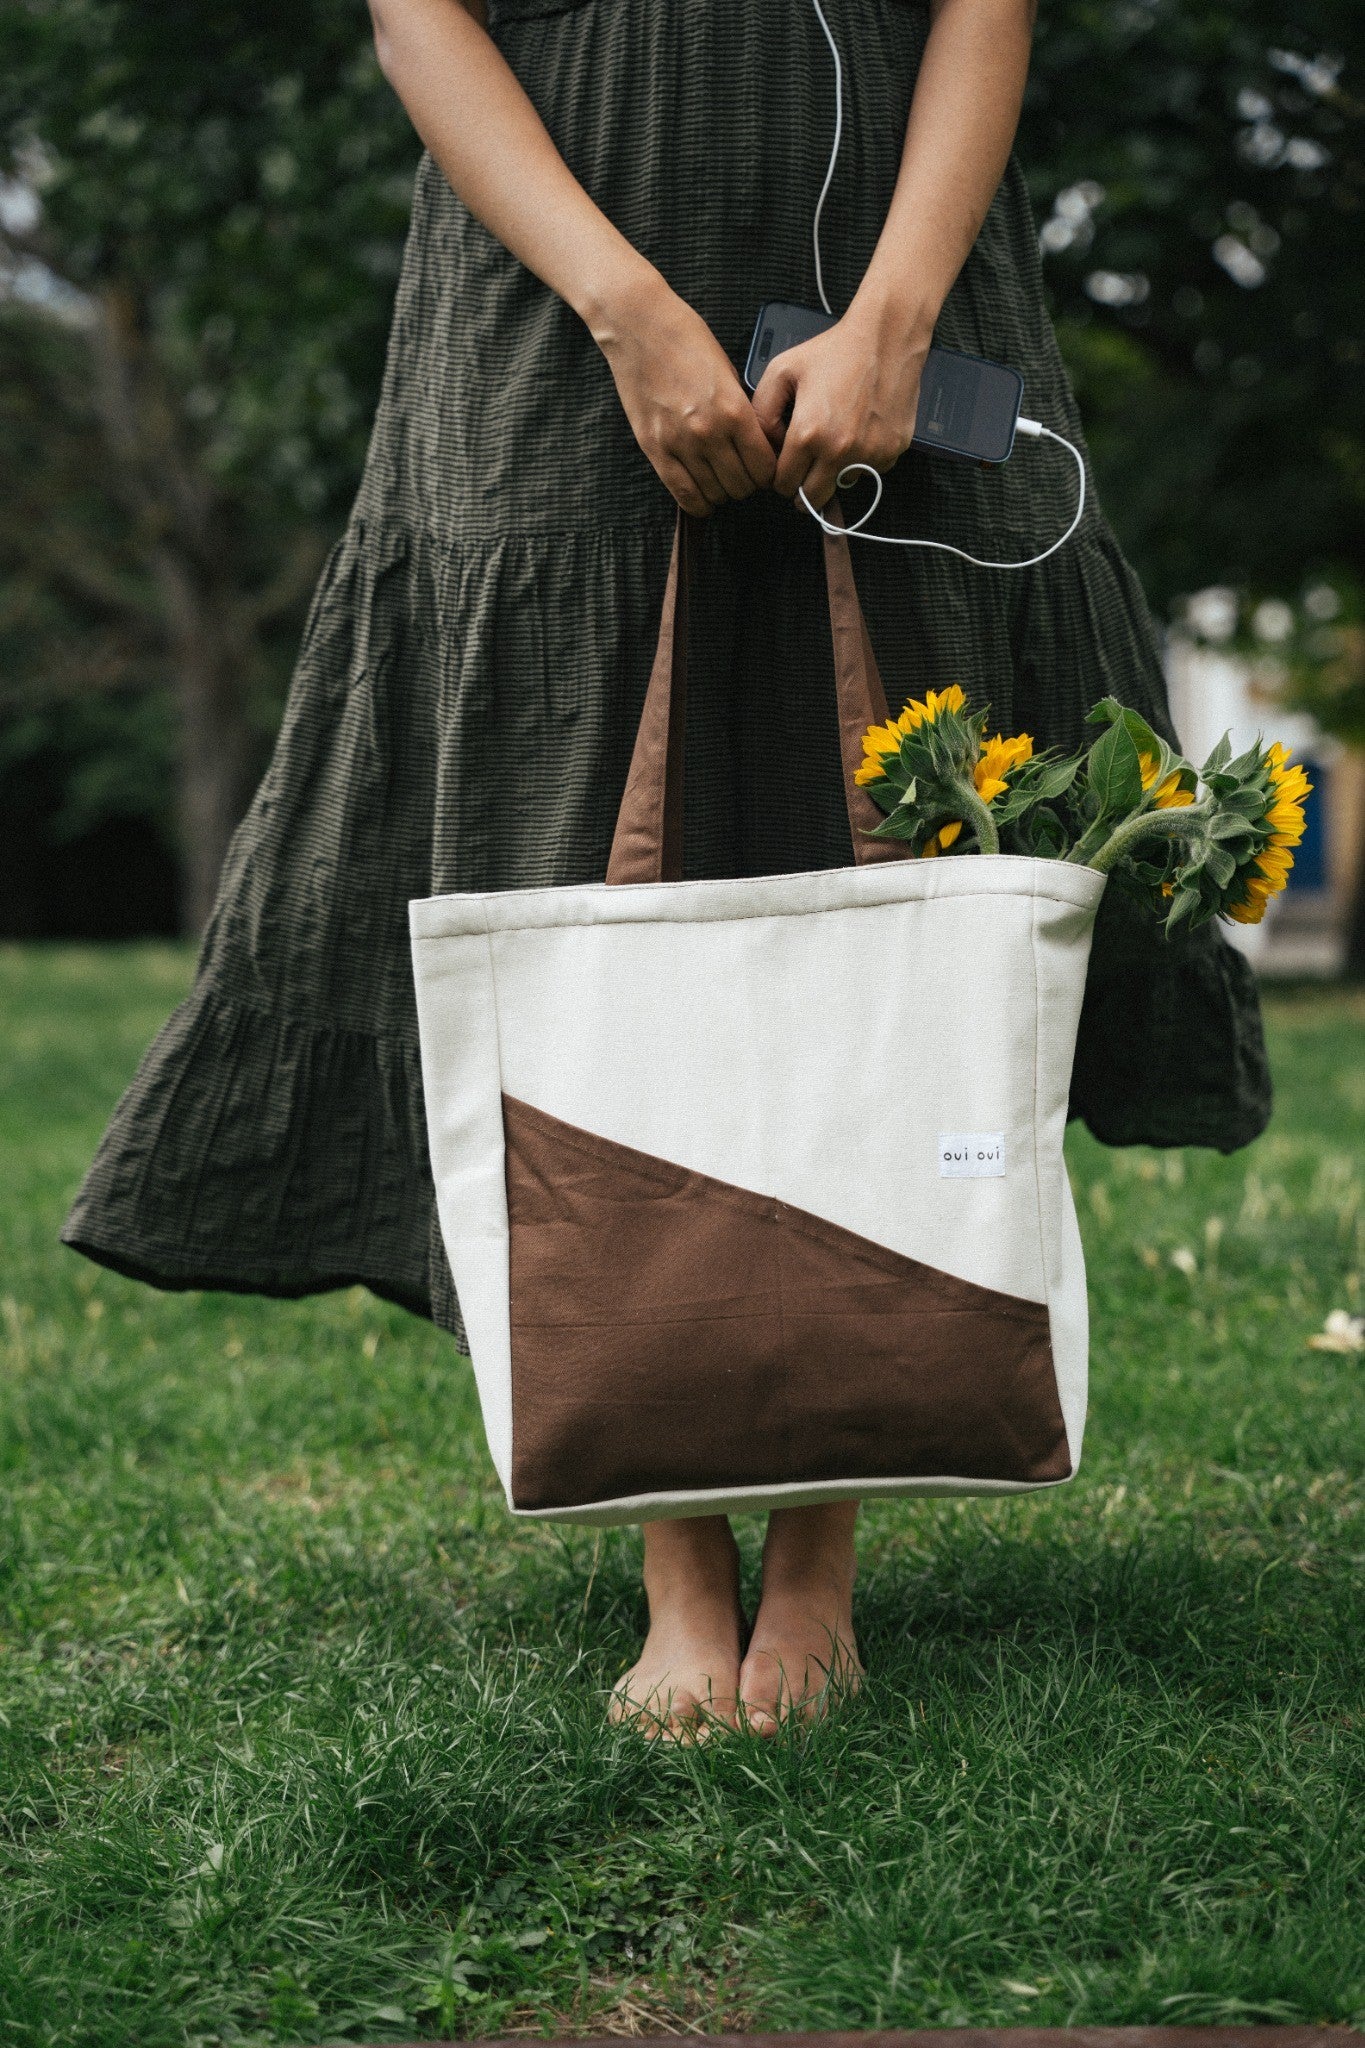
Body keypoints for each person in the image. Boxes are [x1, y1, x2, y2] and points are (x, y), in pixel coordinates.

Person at [64, 0, 1270, 1741]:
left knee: (877, 834)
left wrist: (895, 320)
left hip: (887, 269)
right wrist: (625, 310)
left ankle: (819, 1555)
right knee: (579, 860)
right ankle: (675, 1557)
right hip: (555, 286)